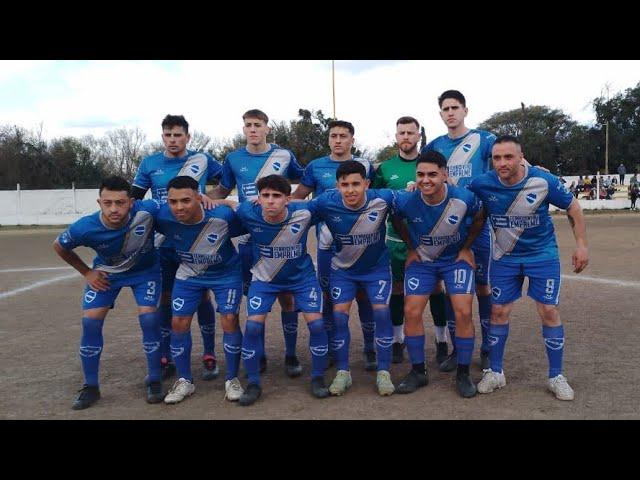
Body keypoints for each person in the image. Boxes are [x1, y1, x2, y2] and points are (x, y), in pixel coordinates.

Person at [468, 135, 589, 401]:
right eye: (497, 158)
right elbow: (453, 191)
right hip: (504, 257)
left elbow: (573, 206)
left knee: (548, 310)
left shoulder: (542, 181)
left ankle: (556, 376)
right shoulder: (482, 184)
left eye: (508, 157)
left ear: (521, 157)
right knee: (498, 311)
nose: (502, 163)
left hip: (541, 256)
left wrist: (581, 245)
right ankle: (495, 372)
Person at [53, 176, 165, 410]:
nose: (114, 209)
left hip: (146, 272)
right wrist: (87, 272)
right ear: (99, 202)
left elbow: (180, 208)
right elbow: (59, 246)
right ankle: (90, 386)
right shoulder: (85, 227)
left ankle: (155, 379)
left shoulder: (149, 209)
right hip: (107, 274)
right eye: (108, 203)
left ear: (132, 202)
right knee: (90, 322)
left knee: (150, 318)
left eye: (120, 203)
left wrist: (213, 200)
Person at [208, 109, 305, 377]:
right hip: (251, 237)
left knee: (287, 297)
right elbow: (222, 191)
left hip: (282, 236)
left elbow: (305, 182)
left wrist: (290, 201)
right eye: (248, 125)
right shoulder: (233, 158)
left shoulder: (283, 155)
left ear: (267, 128)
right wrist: (205, 200)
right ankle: (259, 355)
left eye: (257, 125)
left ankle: (291, 355)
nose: (253, 129)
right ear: (244, 129)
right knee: (254, 299)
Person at [224, 175, 330, 406]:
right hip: (264, 279)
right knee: (252, 326)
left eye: (277, 196)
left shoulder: (304, 213)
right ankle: (253, 383)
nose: (271, 201)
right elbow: (231, 204)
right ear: (258, 198)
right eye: (266, 196)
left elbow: (327, 201)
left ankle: (317, 377)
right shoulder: (248, 212)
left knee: (317, 323)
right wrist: (207, 198)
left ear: (287, 199)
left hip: (301, 278)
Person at [132, 114, 223, 382]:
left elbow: (226, 183)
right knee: (165, 299)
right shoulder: (150, 164)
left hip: (197, 241)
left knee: (203, 297)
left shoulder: (203, 160)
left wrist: (210, 198)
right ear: (163, 136)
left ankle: (209, 354)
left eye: (177, 135)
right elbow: (135, 199)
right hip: (162, 243)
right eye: (168, 135)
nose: (173, 140)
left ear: (187, 137)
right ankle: (166, 355)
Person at [390, 151, 482, 398]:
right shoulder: (406, 200)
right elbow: (396, 218)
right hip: (423, 261)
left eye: (432, 174)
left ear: (445, 174)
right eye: (420, 174)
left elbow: (481, 216)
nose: (425, 180)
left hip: (454, 261)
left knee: (463, 311)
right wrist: (411, 247)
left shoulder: (464, 198)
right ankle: (418, 371)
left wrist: (466, 248)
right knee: (411, 311)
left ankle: (463, 373)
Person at [292, 120, 379, 371]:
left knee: (364, 294)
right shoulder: (316, 166)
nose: (338, 140)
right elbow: (298, 197)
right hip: (327, 243)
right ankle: (331, 346)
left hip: (361, 241)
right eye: (333, 136)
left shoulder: (365, 166)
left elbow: (375, 198)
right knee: (328, 295)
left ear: (352, 139)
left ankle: (370, 348)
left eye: (343, 135)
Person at [305, 160, 397, 397]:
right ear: (337, 186)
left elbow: (415, 201)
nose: (351, 189)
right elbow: (297, 212)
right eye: (345, 185)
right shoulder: (326, 202)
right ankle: (343, 372)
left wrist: (414, 188)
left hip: (376, 269)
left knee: (382, 312)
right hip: (343, 270)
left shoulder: (384, 198)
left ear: (366, 183)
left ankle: (383, 372)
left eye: (356, 183)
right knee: (338, 315)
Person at [153, 176, 246, 404]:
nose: (179, 207)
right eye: (173, 202)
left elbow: (250, 222)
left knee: (229, 319)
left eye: (185, 200)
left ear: (199, 198)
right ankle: (185, 380)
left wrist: (229, 203)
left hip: (226, 274)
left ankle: (232, 379)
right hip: (189, 274)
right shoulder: (162, 216)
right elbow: (132, 208)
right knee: (178, 322)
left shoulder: (222, 217)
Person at [422, 89, 496, 372]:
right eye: (445, 108)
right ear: (440, 114)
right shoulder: (436, 146)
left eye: (455, 107)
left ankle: (488, 348)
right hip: (449, 229)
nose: (450, 112)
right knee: (455, 290)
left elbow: (507, 159)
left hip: (479, 224)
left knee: (482, 287)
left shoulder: (484, 139)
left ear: (466, 110)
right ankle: (456, 348)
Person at [371, 116, 449, 365]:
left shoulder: (428, 164)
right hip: (395, 239)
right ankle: (397, 340)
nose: (405, 137)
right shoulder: (384, 168)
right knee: (397, 290)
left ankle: (441, 339)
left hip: (428, 239)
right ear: (396, 137)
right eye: (401, 133)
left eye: (410, 133)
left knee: (436, 288)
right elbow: (375, 199)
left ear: (418, 136)